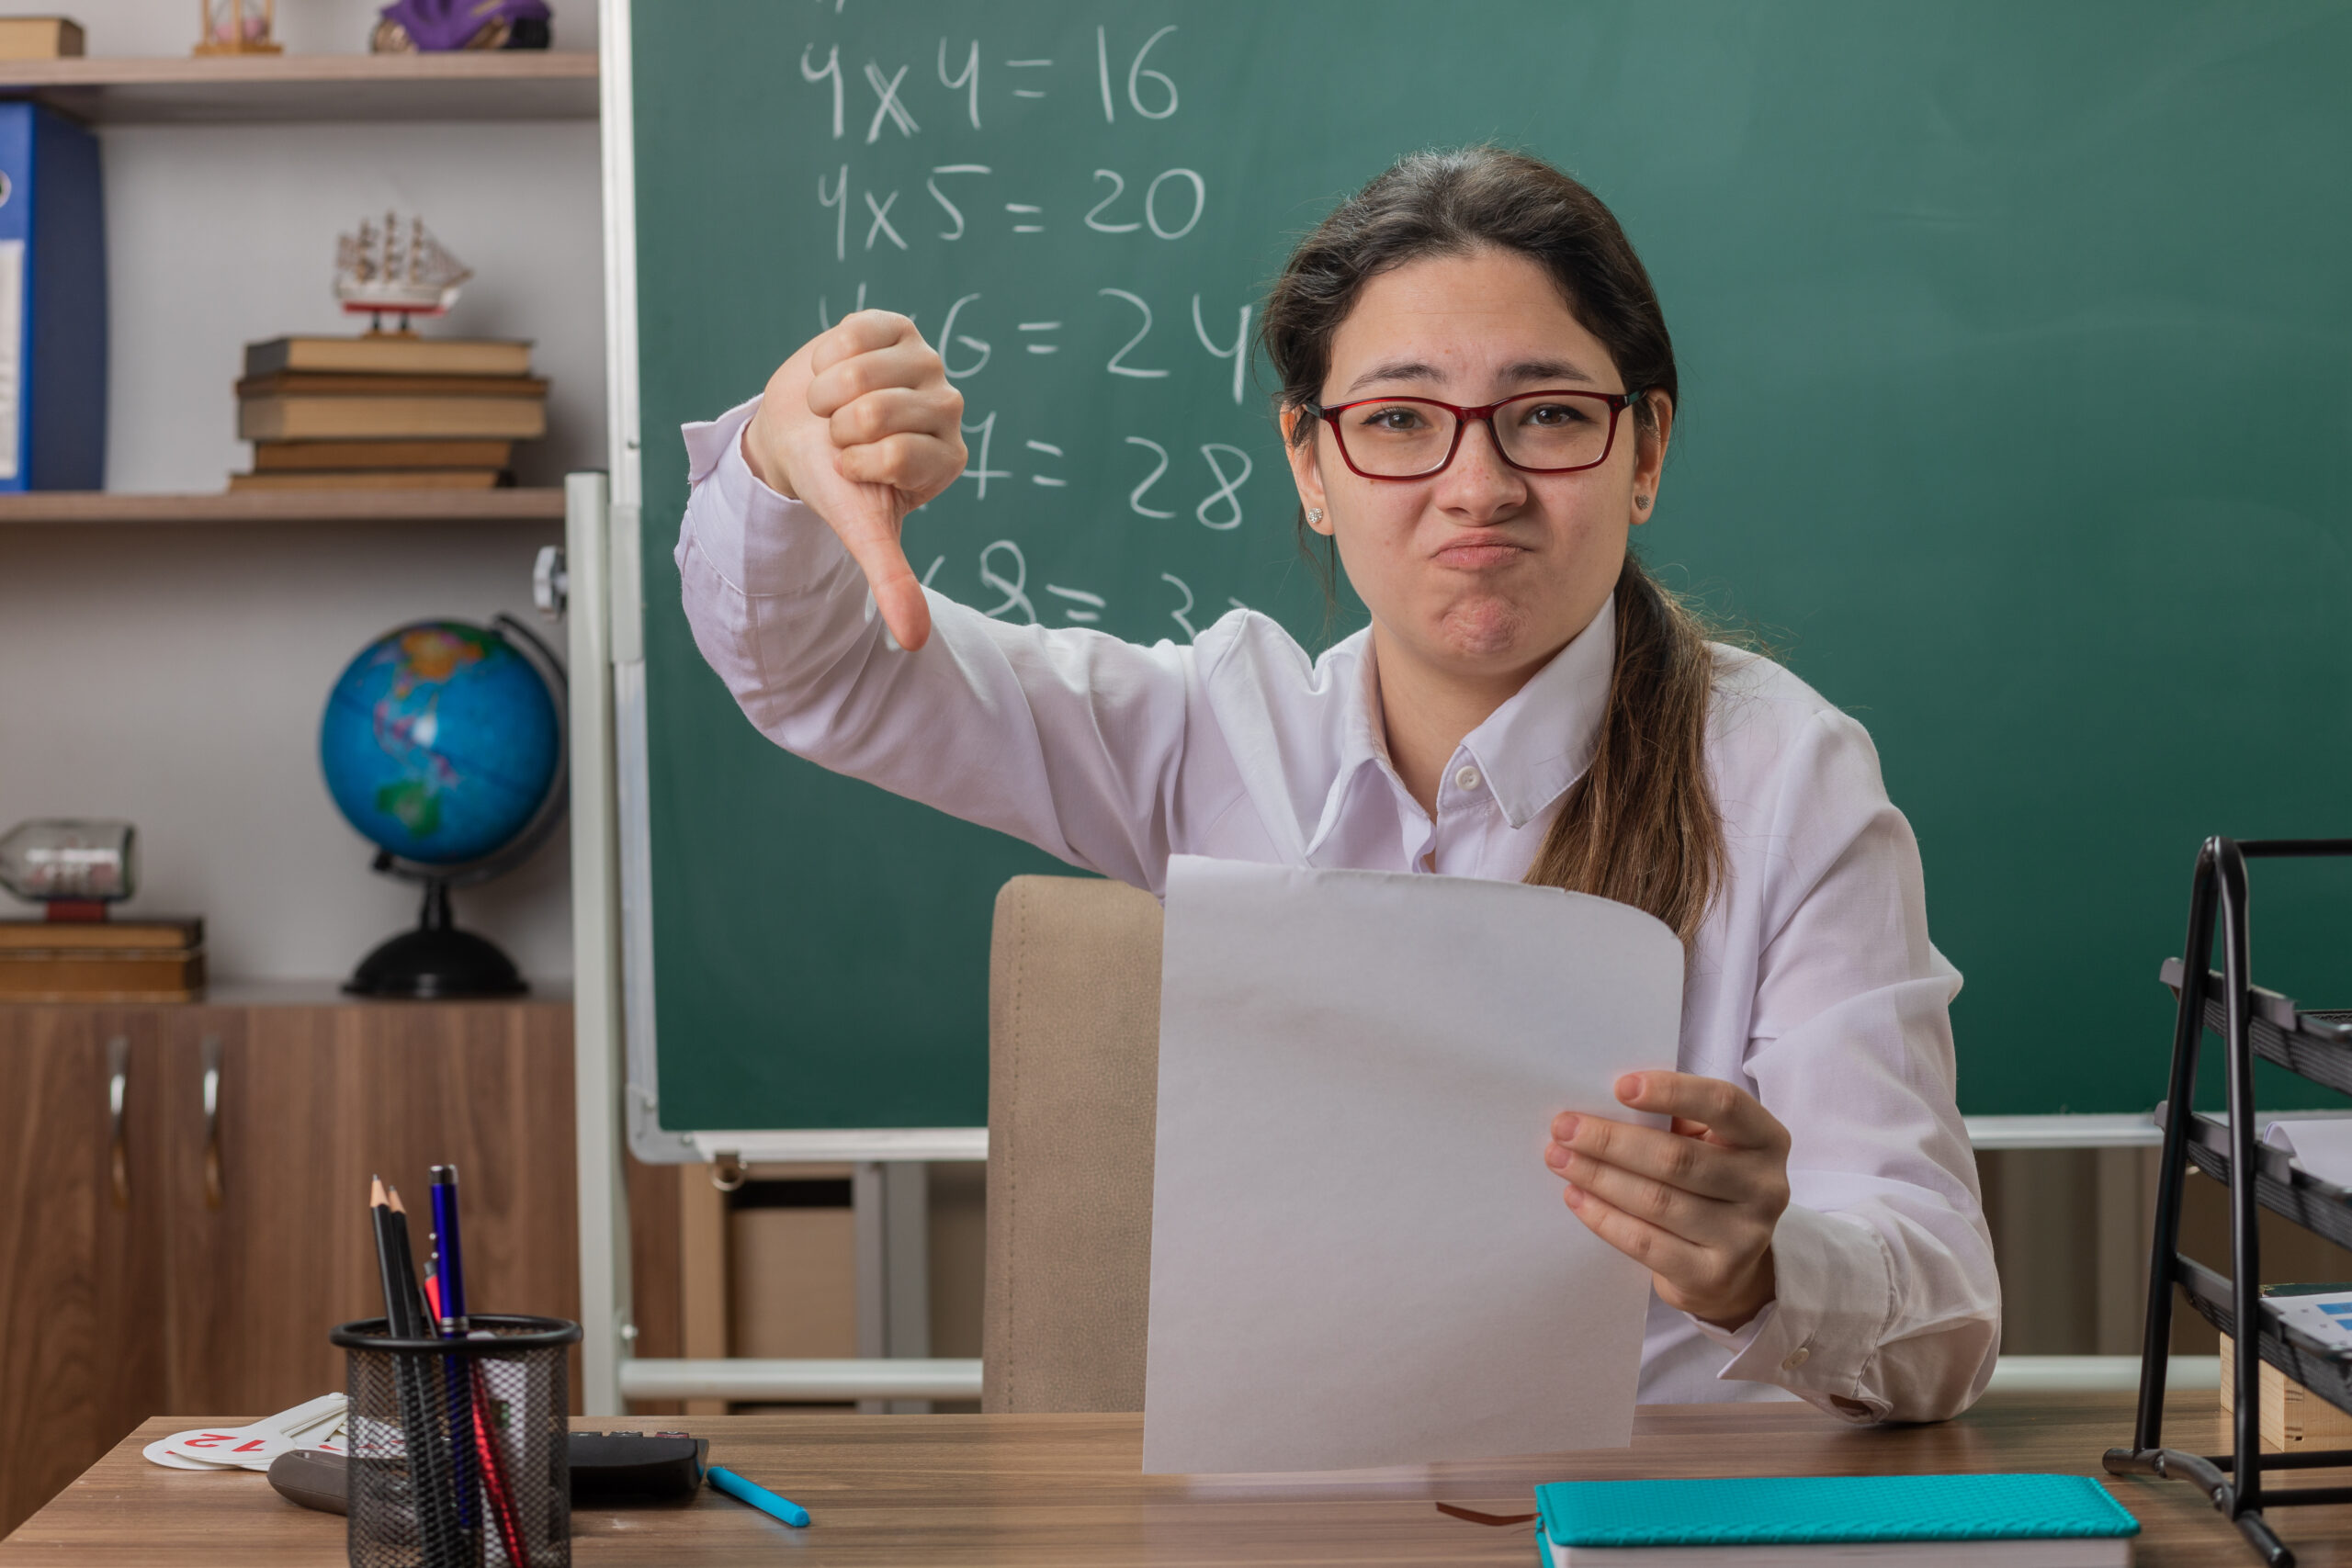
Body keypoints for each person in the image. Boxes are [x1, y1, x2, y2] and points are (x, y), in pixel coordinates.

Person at [675, 146, 2000, 1423]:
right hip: (1298, 1517)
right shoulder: (1213, 731)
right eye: (1400, 422)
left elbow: (1939, 1320)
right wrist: (778, 468)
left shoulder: (1781, 775)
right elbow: (820, 675)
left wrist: (1767, 1273)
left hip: (1653, 1516)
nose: (1475, 488)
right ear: (1310, 464)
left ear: (1645, 449)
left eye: (1546, 415)